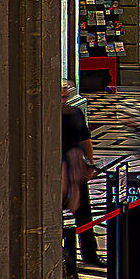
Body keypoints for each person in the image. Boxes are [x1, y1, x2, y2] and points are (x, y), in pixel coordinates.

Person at [61, 83, 98, 268]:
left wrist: (90, 163)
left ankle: (89, 252)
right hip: (57, 167)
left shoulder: (75, 113)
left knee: (84, 211)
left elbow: (86, 139)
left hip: (75, 164)